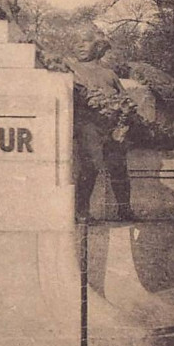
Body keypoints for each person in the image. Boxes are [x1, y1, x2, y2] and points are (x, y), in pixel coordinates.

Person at [65, 23, 135, 222]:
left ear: (97, 46)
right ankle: (81, 212)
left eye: (85, 42)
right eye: (76, 42)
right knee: (91, 165)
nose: (80, 46)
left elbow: (125, 100)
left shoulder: (109, 74)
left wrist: (123, 123)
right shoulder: (71, 69)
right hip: (87, 124)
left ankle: (124, 209)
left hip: (111, 126)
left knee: (119, 166)